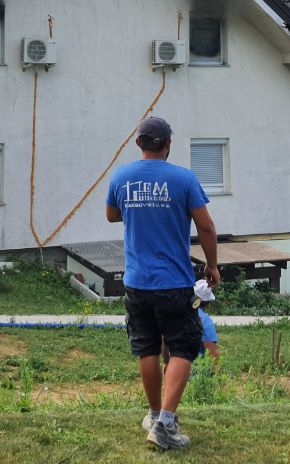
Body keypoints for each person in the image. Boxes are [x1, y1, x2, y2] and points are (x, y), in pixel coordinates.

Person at [107, 115, 220, 452]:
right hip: (173, 283)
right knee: (183, 346)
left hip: (136, 282)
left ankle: (154, 413)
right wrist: (212, 266)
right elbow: (207, 227)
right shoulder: (183, 179)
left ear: (139, 143)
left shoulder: (122, 177)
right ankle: (166, 425)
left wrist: (139, 206)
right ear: (168, 144)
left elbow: (112, 215)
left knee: (147, 347)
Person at [194, 278, 220, 361]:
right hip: (197, 371)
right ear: (208, 304)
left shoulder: (181, 315)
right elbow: (212, 354)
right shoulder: (205, 321)